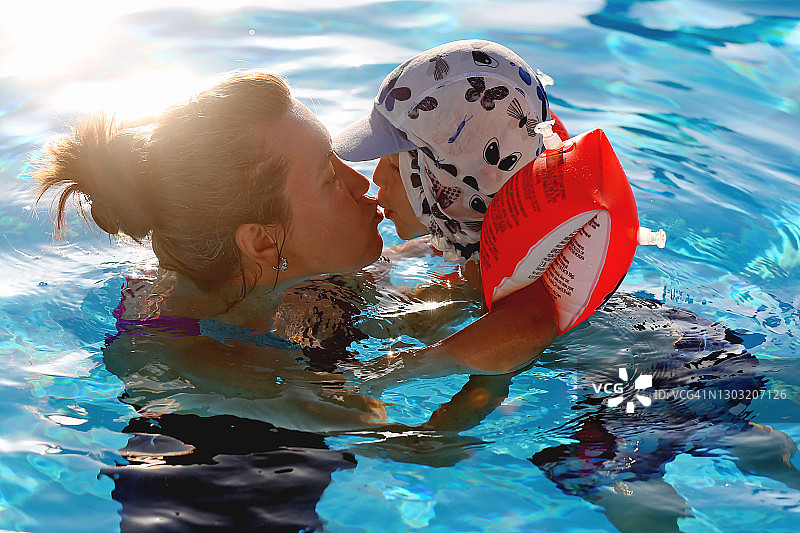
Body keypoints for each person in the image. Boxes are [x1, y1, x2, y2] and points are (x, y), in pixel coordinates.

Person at [33, 70, 557, 430]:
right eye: (330, 176)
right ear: (263, 239)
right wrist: (483, 364)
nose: (362, 183)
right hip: (227, 477)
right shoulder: (193, 361)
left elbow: (400, 317)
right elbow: (424, 444)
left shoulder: (282, 265)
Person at [334, 39, 567, 291]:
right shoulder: (482, 241)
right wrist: (394, 256)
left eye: (393, 165)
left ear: (447, 181)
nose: (375, 178)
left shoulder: (517, 298)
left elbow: (527, 325)